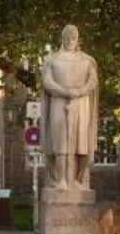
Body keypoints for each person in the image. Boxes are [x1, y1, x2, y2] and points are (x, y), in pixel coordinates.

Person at [38, 24, 99, 191]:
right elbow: (47, 81)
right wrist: (64, 91)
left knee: (81, 143)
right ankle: (60, 181)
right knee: (60, 143)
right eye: (68, 37)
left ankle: (79, 180)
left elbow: (93, 81)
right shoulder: (52, 60)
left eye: (74, 37)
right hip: (59, 102)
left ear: (78, 39)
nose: (71, 40)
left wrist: (79, 91)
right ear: (63, 38)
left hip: (81, 104)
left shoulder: (87, 60)